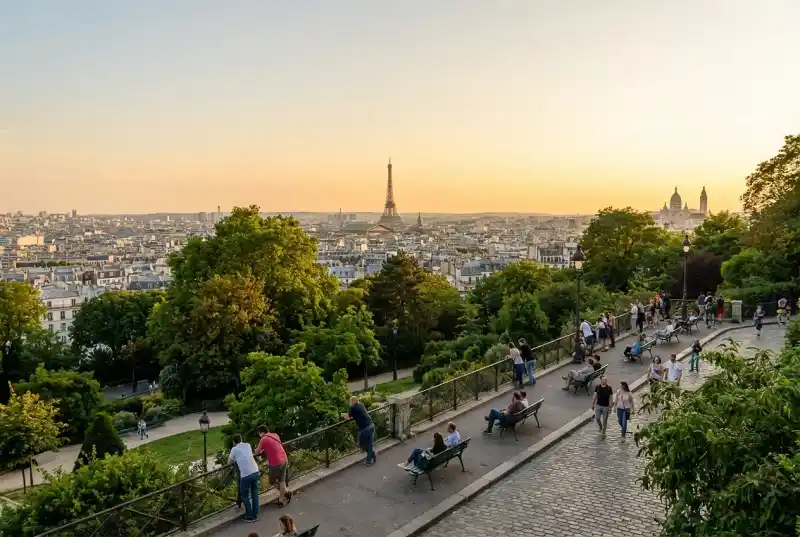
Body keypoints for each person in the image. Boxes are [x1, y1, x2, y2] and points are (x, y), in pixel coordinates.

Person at [255, 425, 292, 507]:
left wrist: (256, 450)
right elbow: (274, 447)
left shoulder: (263, 439)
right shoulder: (275, 435)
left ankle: (286, 492)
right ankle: (281, 500)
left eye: (259, 433)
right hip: (284, 459)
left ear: (261, 432)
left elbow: (257, 452)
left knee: (272, 482)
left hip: (276, 463)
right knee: (282, 481)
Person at [228, 434, 261, 522]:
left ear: (234, 442)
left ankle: (250, 516)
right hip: (255, 470)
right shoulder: (248, 445)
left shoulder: (234, 449)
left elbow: (229, 462)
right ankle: (256, 513)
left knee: (245, 495)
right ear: (241, 439)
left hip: (246, 474)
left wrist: (234, 462)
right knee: (255, 492)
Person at [342, 396, 376, 465]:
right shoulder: (361, 405)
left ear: (352, 402)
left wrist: (342, 415)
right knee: (369, 443)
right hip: (371, 425)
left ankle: (372, 453)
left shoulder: (353, 407)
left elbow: (348, 417)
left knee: (361, 444)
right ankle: (369, 460)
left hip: (364, 429)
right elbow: (356, 414)